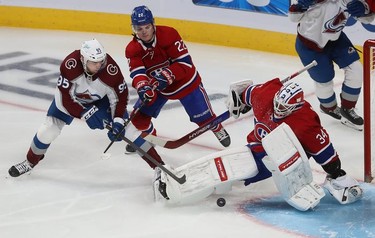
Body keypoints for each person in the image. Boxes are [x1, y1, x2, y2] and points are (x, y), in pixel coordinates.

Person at [154, 78, 363, 210]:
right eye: (277, 105)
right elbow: (245, 92)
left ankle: (183, 189)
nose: (279, 110)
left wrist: (336, 173)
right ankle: (182, 182)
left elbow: (325, 153)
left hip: (279, 157)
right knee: (227, 169)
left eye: (285, 108)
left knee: (238, 171)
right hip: (255, 144)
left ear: (297, 105)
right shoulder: (266, 95)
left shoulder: (306, 122)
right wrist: (239, 101)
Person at [8, 39, 129, 177]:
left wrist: (118, 121)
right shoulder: (70, 64)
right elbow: (65, 99)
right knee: (48, 131)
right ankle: (30, 162)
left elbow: (120, 97)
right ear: (83, 59)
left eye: (101, 61)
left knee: (127, 127)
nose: (99, 65)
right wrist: (84, 113)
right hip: (71, 101)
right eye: (94, 62)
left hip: (100, 101)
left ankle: (149, 153)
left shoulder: (110, 69)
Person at [123, 6, 230, 156]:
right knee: (139, 119)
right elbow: (137, 73)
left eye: (147, 26)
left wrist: (166, 75)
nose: (144, 31)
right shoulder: (132, 49)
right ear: (134, 29)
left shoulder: (168, 34)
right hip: (159, 88)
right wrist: (143, 87)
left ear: (153, 24)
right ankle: (148, 138)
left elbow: (185, 63)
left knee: (204, 119)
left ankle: (216, 128)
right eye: (139, 28)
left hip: (186, 83)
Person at [288, 0, 375, 131]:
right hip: (309, 45)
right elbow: (293, 17)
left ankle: (348, 108)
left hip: (336, 39)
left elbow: (367, 19)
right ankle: (329, 108)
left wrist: (365, 8)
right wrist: (300, 7)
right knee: (324, 81)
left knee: (356, 70)